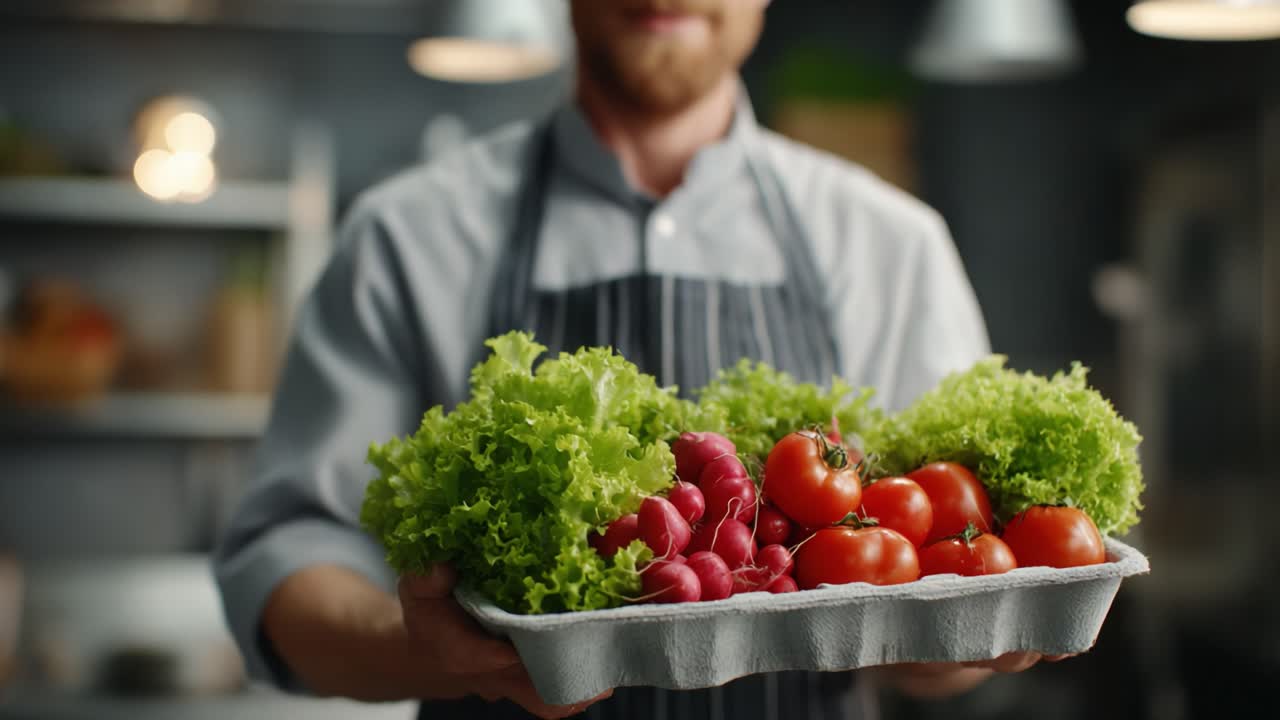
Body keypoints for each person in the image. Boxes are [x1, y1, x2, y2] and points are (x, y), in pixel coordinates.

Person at [214, 1, 1066, 718]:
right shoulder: (406, 236)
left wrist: (957, 634)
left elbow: (932, 596)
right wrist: (424, 651)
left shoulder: (890, 245)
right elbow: (286, 561)